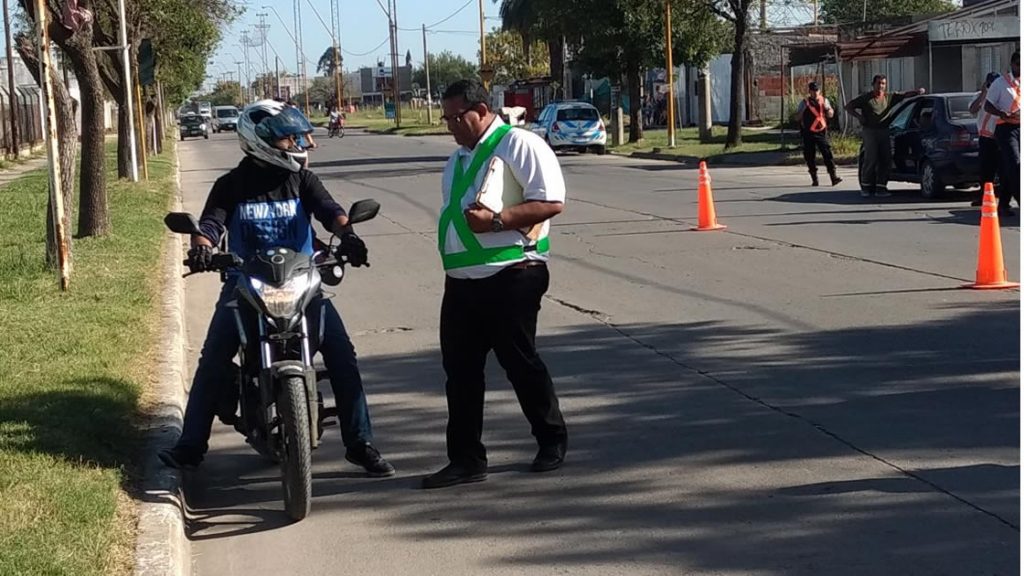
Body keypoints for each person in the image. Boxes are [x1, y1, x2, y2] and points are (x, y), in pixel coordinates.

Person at [159, 100, 395, 478]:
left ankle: (361, 443)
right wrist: (201, 249)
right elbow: (211, 226)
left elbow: (329, 209)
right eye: (288, 139)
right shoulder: (230, 186)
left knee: (342, 356)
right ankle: (190, 446)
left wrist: (347, 235)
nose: (297, 145)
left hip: (303, 282)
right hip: (245, 285)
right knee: (213, 360)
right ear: (261, 141)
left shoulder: (301, 179)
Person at [422, 79, 569, 489]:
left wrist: (499, 221)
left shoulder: (520, 144)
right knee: (460, 372)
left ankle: (551, 439)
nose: (451, 125)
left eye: (457, 116)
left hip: (513, 273)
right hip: (463, 282)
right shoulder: (456, 160)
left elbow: (551, 202)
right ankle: (466, 459)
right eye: (446, 118)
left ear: (482, 109)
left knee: (519, 361)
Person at [845, 75, 924, 197]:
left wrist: (917, 92)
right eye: (878, 83)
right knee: (871, 158)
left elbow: (904, 95)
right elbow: (848, 106)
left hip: (884, 131)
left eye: (883, 83)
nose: (881, 86)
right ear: (873, 84)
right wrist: (859, 117)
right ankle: (866, 187)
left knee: (885, 159)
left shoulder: (889, 97)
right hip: (870, 131)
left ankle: (881, 188)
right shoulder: (866, 98)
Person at [985, 51, 1020, 217]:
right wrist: (1002, 113)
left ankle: (1004, 203)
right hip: (1005, 128)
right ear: (1013, 65)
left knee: (1010, 169)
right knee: (1015, 163)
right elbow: (987, 106)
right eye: (1019, 64)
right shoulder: (1000, 83)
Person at [794, 82, 842, 187]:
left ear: (819, 91)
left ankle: (833, 177)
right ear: (809, 91)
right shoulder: (804, 102)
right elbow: (797, 117)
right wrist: (802, 112)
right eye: (813, 91)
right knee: (810, 156)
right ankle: (814, 179)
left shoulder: (824, 101)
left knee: (827, 154)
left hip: (821, 132)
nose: (815, 93)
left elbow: (830, 114)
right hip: (808, 133)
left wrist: (829, 111)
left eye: (817, 90)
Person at [970, 72, 1002, 206]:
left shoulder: (1003, 96)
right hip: (985, 138)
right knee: (985, 170)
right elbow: (973, 109)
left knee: (1003, 170)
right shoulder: (980, 95)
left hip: (1000, 138)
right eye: (990, 84)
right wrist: (984, 93)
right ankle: (984, 195)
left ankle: (1003, 199)